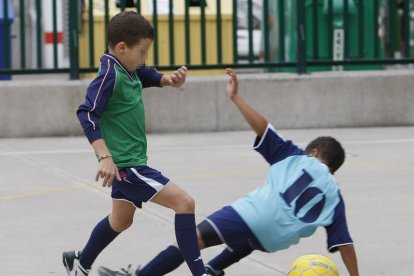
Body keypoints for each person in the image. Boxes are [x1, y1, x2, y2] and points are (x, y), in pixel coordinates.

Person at [98, 68, 359, 276]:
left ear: (314, 153)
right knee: (247, 239)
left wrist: (235, 97)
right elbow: (345, 243)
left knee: (191, 239)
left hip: (255, 215)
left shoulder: (299, 157)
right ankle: (214, 268)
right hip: (276, 239)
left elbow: (264, 128)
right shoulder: (336, 197)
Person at [62, 11, 209, 276]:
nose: (145, 58)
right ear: (122, 48)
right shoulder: (109, 74)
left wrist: (167, 79)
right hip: (128, 166)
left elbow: (144, 73)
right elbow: (87, 113)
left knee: (120, 221)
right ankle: (200, 273)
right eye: (142, 51)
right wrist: (104, 156)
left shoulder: (126, 68)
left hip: (130, 163)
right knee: (185, 203)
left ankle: (80, 263)